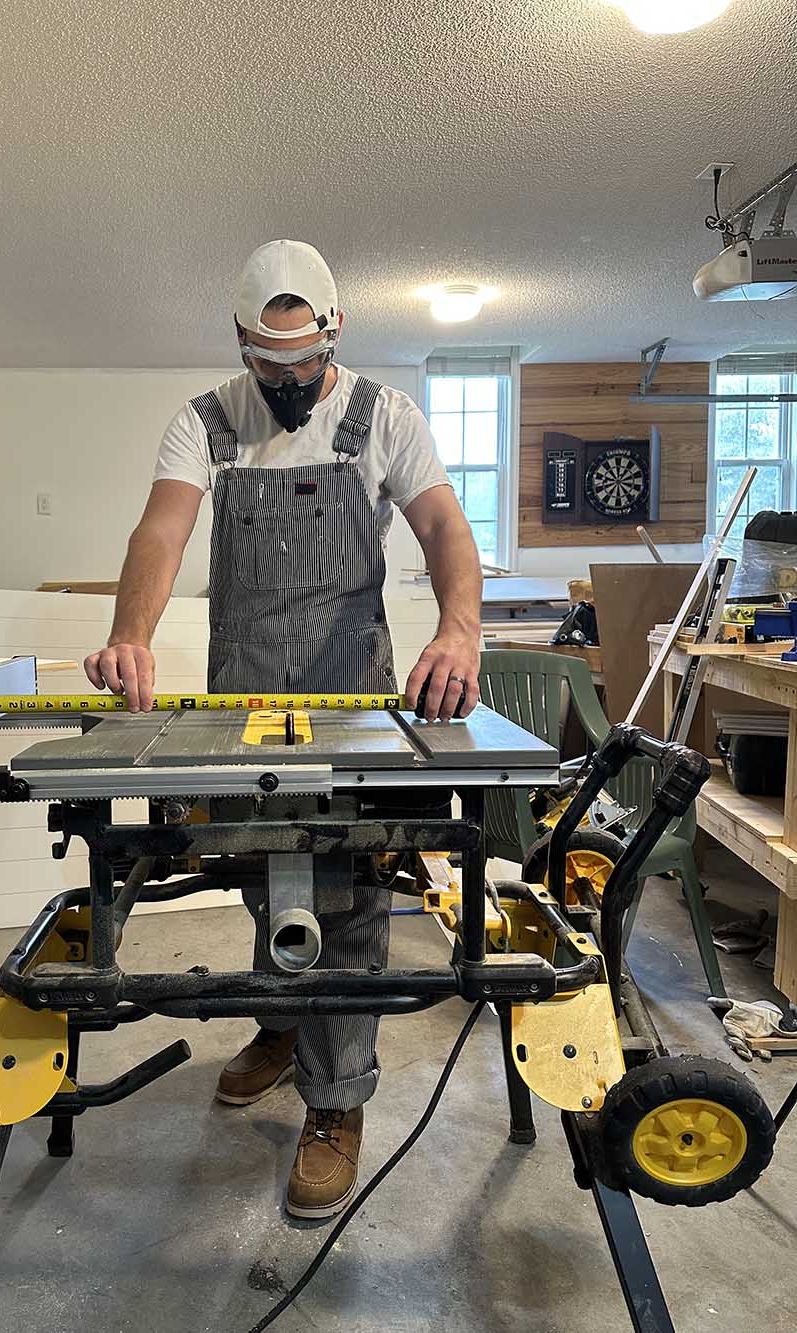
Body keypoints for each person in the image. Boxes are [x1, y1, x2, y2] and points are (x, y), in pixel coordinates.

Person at [85, 239, 483, 1218]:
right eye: (272, 367)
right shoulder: (207, 421)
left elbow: (441, 527)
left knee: (342, 893)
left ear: (334, 334)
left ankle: (336, 1101)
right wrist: (128, 632)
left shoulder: (385, 417)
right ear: (242, 346)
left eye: (304, 365)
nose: (291, 383)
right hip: (247, 699)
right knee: (262, 870)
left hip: (354, 701)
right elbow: (162, 529)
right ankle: (280, 1023)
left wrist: (460, 628)